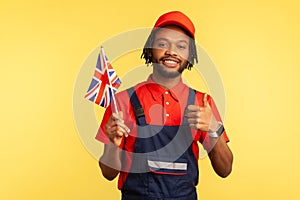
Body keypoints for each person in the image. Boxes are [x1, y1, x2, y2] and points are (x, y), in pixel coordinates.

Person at [96, 11, 233, 200]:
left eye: (181, 46)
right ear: (150, 48)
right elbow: (108, 173)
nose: (172, 51)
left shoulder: (202, 103)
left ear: (190, 54)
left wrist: (213, 128)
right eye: (162, 44)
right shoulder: (122, 102)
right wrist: (113, 145)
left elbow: (225, 169)